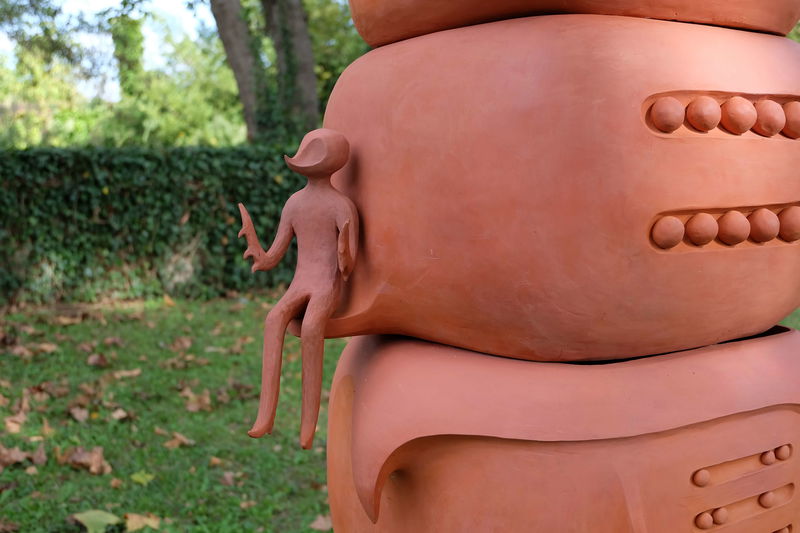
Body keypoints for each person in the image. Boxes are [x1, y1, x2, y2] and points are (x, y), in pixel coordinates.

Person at [237, 128, 358, 449]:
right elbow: (273, 256)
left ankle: (308, 427)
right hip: (301, 282)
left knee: (312, 326)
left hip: (325, 286)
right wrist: (257, 250)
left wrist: (344, 252)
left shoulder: (341, 206)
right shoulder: (294, 204)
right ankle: (265, 416)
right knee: (273, 319)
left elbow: (348, 265)